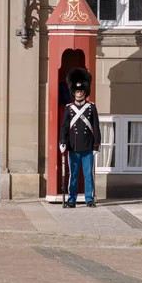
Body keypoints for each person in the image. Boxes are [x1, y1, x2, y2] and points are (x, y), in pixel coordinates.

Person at [58, 68, 101, 208]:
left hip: (88, 147)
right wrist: (62, 142)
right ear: (73, 93)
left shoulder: (91, 107)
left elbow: (96, 127)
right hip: (74, 147)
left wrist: (96, 146)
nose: (79, 93)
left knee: (88, 175)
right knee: (74, 175)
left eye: (81, 91)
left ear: (85, 92)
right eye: (77, 91)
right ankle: (72, 199)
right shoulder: (69, 108)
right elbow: (64, 127)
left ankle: (89, 199)